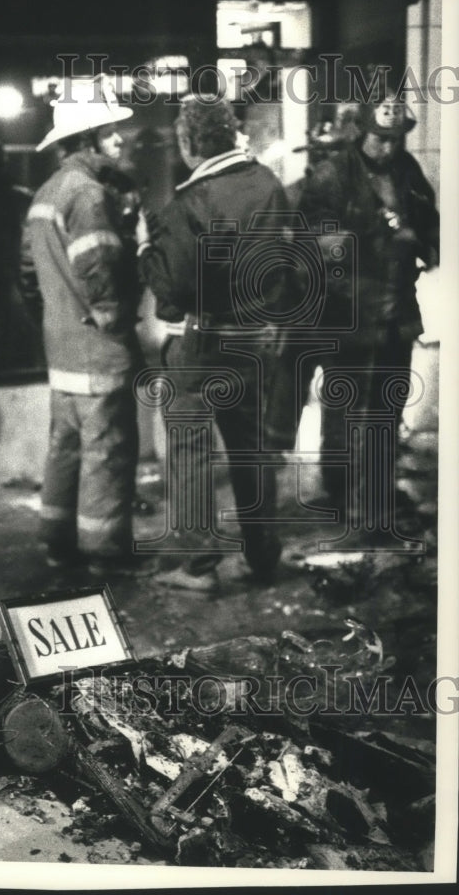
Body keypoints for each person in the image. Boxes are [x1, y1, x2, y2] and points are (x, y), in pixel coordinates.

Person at [136, 94, 294, 592]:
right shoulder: (268, 185)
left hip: (202, 346)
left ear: (188, 142)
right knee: (251, 450)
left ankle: (197, 564)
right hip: (254, 341)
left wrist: (146, 247)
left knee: (191, 451)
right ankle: (262, 556)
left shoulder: (191, 201)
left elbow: (176, 287)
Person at [20, 76, 144, 580]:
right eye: (110, 131)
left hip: (62, 350)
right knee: (106, 453)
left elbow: (27, 275)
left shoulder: (46, 193)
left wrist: (57, 317)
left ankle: (58, 542)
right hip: (98, 351)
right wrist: (116, 322)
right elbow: (101, 270)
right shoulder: (90, 195)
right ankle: (105, 553)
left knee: (66, 450)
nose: (119, 139)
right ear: (87, 139)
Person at [298, 95, 439, 532]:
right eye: (381, 138)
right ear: (362, 133)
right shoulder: (333, 175)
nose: (389, 147)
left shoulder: (407, 170)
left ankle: (370, 496)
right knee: (353, 413)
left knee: (386, 409)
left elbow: (430, 221)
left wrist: (424, 240)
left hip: (396, 313)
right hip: (350, 316)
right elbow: (312, 242)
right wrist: (376, 238)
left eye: (396, 138)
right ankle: (355, 503)